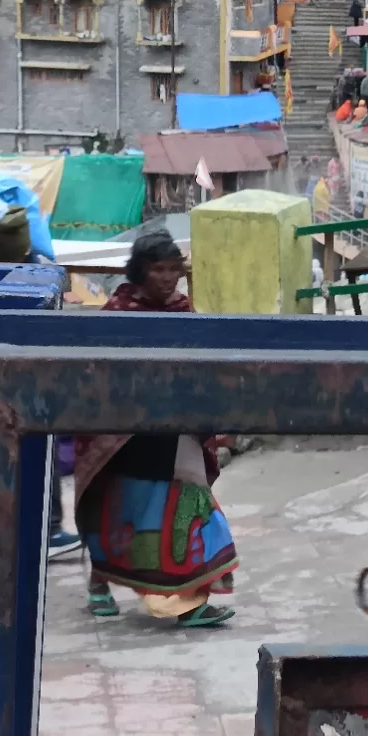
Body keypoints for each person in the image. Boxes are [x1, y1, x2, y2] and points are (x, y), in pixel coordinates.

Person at [74, 228, 238, 628]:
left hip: (177, 429)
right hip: (123, 437)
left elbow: (205, 365)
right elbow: (94, 376)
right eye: (157, 269)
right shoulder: (116, 315)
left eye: (173, 269)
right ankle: (100, 584)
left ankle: (188, 601)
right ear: (139, 271)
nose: (167, 278)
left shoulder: (184, 312)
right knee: (118, 509)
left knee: (189, 507)